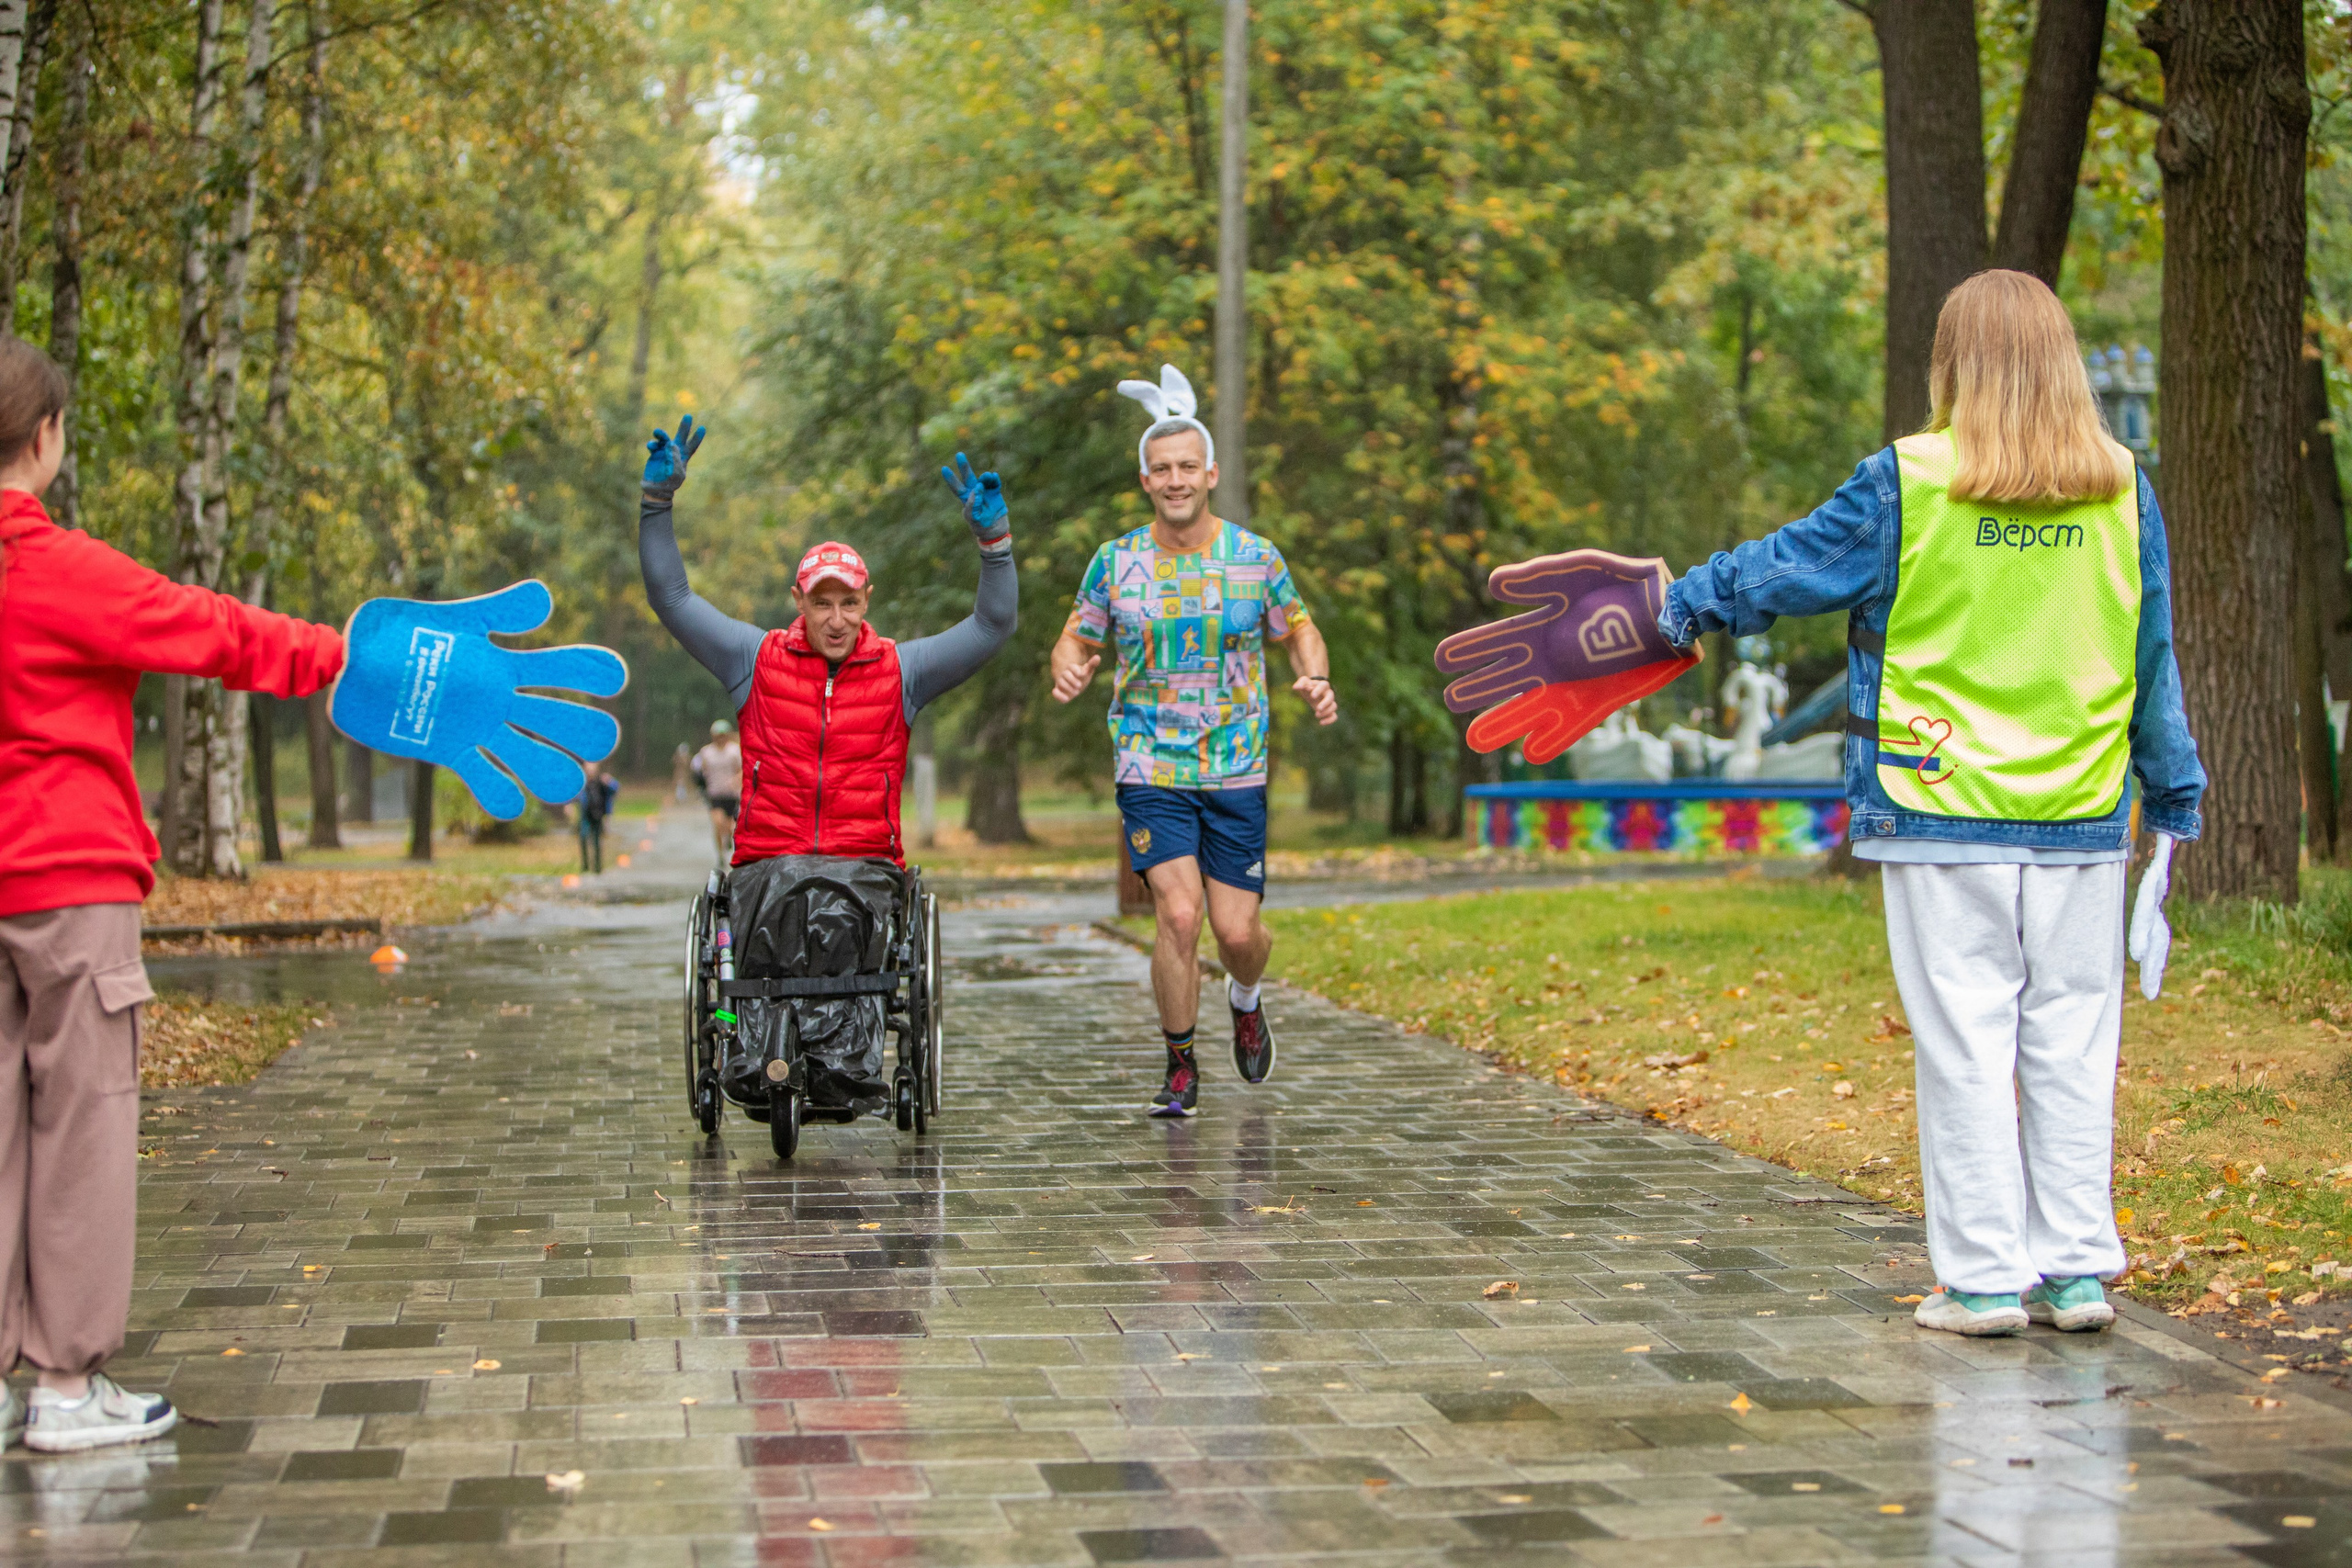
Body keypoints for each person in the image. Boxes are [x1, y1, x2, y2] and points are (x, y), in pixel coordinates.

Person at [1653, 271, 2204, 1337]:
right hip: (2081, 808)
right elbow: (2153, 654)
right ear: (2062, 360)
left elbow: (1787, 568)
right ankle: (2077, 1271)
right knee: (2073, 1038)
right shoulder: (2121, 485)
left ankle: (1986, 1282)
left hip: (1936, 802)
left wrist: (1683, 604)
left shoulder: (1908, 479)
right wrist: (2171, 788)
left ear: (1950, 361)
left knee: (1964, 1039)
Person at [0, 338, 346, 1449]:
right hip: (70, 882)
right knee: (83, 1126)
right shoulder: (61, 568)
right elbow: (213, 631)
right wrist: (339, 654)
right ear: (43, 437)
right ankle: (62, 1390)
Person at [1048, 365, 1337, 1119]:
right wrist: (1072, 668)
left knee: (1238, 932)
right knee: (1178, 915)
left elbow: (1300, 627)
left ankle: (1245, 995)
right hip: (1149, 759)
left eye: (1187, 467)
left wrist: (1314, 677)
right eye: (1161, 469)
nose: (1175, 480)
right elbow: (1073, 637)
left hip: (1235, 764)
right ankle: (1180, 1064)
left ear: (1209, 473)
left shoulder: (1255, 557)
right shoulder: (1116, 563)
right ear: (1145, 479)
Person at [635, 415, 1016, 863]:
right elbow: (672, 599)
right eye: (822, 604)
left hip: (866, 873)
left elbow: (993, 625)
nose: (837, 621)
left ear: (867, 601)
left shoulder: (902, 670)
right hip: (770, 870)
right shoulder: (754, 660)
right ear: (798, 600)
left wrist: (995, 545)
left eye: (849, 603)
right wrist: (656, 503)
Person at [690, 721, 741, 864]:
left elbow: (741, 770)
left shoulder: (734, 751)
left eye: (723, 736)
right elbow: (700, 771)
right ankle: (720, 854)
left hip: (731, 794)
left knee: (730, 826)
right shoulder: (707, 752)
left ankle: (729, 839)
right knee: (718, 824)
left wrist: (736, 780)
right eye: (718, 736)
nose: (721, 738)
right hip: (715, 794)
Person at [575, 760, 619, 874]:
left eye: (592, 769)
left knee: (596, 841)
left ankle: (598, 867)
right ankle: (585, 865)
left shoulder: (602, 781)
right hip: (586, 814)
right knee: (583, 837)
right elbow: (575, 795)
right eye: (588, 769)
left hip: (598, 814)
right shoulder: (581, 783)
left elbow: (615, 789)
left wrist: (609, 782)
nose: (590, 771)